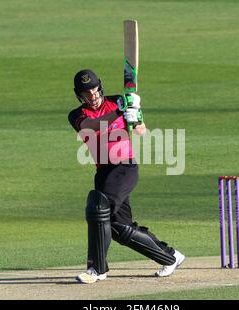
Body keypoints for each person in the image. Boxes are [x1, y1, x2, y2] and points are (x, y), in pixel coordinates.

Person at [68, 69, 185, 284]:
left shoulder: (118, 101)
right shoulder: (77, 115)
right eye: (87, 94)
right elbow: (90, 127)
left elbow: (141, 130)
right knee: (119, 228)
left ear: (99, 87)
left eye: (94, 90)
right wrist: (119, 113)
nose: (92, 96)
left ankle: (96, 269)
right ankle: (171, 256)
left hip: (124, 167)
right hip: (103, 172)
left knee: (98, 210)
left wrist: (135, 114)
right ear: (79, 95)